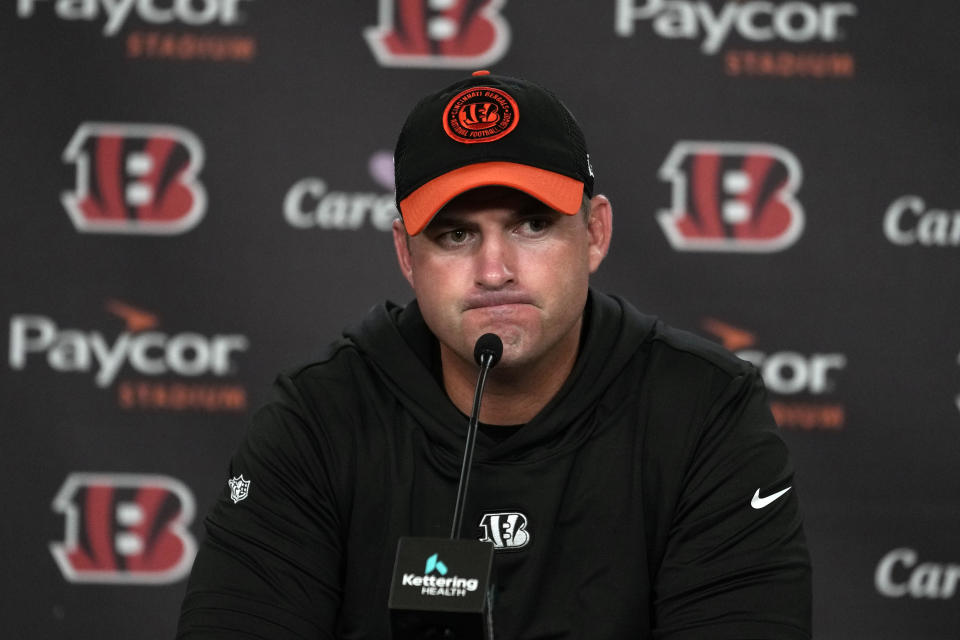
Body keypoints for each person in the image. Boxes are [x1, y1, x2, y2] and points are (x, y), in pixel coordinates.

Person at [177, 71, 811, 639]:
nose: (494, 270)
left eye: (531, 225)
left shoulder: (704, 412)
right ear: (406, 255)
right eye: (455, 234)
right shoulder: (319, 417)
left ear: (594, 233)